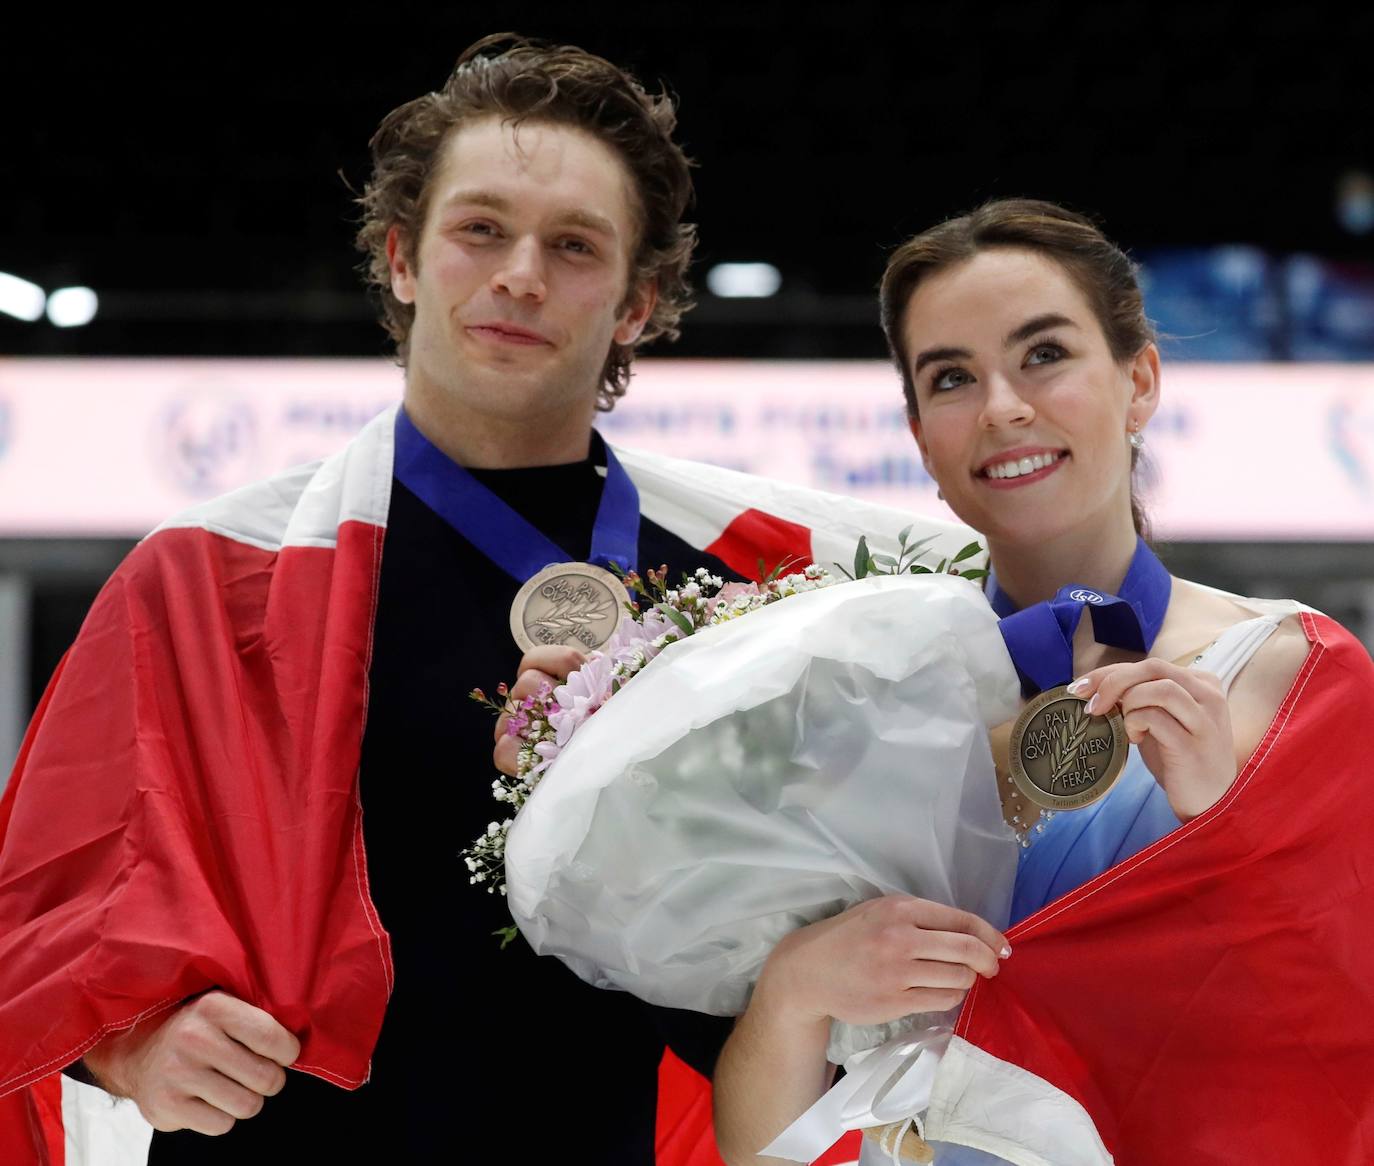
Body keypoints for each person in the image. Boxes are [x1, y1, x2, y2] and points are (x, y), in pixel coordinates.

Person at [0, 33, 801, 1165]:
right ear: (403, 259)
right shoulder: (217, 577)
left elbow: (769, 969)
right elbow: (40, 916)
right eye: (480, 229)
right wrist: (128, 1046)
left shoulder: (734, 596)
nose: (521, 273)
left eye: (574, 245)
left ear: (639, 302)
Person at [712, 200, 1374, 1164]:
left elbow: (1340, 1049)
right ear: (921, 439)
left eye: (1045, 355)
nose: (1003, 408)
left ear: (1139, 380)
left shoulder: (1298, 679)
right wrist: (792, 992)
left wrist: (1220, 836)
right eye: (951, 378)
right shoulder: (846, 702)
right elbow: (758, 1142)